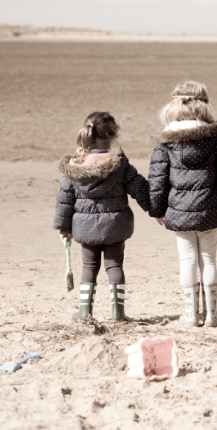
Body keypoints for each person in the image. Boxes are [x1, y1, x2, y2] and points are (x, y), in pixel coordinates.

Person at [148, 81, 217, 327]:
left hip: (179, 212)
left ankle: (191, 315)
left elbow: (157, 180)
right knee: (208, 259)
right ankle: (211, 315)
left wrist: (157, 210)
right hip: (211, 211)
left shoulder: (165, 142)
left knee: (187, 260)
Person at [53, 112, 150, 323]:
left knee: (89, 267)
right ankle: (118, 313)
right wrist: (155, 208)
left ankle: (85, 313)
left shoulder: (75, 165)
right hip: (115, 225)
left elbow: (64, 200)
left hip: (85, 226)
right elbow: (139, 188)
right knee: (114, 265)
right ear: (113, 135)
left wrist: (63, 228)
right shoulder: (119, 163)